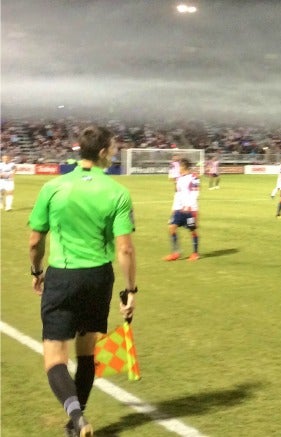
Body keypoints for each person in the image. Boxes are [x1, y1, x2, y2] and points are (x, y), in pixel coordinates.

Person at [28, 126, 137, 437]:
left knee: (54, 358)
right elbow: (125, 248)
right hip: (98, 278)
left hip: (63, 276)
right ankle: (74, 426)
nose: (115, 153)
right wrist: (131, 291)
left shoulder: (53, 187)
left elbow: (36, 241)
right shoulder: (117, 192)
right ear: (102, 152)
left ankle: (75, 416)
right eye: (113, 148)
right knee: (87, 353)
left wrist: (37, 272)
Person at [164, 158, 201, 261]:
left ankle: (195, 253)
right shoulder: (179, 179)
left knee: (192, 230)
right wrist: (174, 209)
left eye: (179, 166)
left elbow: (195, 192)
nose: (177, 169)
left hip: (190, 210)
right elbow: (177, 195)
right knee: (171, 227)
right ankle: (176, 253)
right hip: (179, 209)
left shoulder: (194, 177)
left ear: (183, 167)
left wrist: (189, 206)